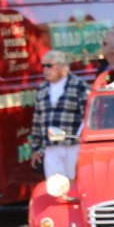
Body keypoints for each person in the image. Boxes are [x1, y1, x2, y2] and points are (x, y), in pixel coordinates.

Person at [29, 50, 89, 181]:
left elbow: (89, 115)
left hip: (73, 145)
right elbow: (37, 120)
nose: (45, 69)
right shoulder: (42, 89)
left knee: (77, 182)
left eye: (49, 65)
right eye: (43, 66)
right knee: (55, 185)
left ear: (63, 66)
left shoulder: (79, 86)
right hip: (51, 147)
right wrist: (36, 148)